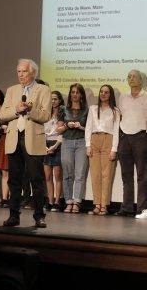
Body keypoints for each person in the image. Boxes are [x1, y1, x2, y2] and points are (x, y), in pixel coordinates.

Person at [0, 58, 51, 228]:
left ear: (33, 73)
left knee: (36, 180)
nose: (20, 74)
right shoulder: (11, 90)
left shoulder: (43, 90)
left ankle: (39, 216)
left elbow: (45, 116)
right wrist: (16, 109)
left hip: (33, 139)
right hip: (14, 138)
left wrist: (30, 110)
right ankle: (14, 215)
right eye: (19, 71)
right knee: (14, 180)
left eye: (24, 71)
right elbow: (2, 114)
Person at [117, 70, 147, 219]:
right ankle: (127, 207)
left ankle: (142, 208)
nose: (131, 78)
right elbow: (120, 117)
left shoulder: (146, 96)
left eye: (134, 76)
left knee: (142, 174)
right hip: (124, 137)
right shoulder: (123, 97)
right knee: (126, 175)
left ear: (141, 80)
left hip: (141, 137)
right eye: (128, 76)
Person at [85, 85, 119, 216]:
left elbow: (116, 131)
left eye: (106, 92)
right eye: (101, 92)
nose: (103, 94)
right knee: (95, 175)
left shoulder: (115, 110)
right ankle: (97, 204)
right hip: (94, 140)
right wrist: (88, 145)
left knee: (106, 175)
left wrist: (114, 149)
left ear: (110, 95)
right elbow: (88, 127)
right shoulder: (93, 109)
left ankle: (104, 205)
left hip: (108, 140)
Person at [57, 83, 88, 213]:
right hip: (67, 142)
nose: (75, 95)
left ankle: (77, 202)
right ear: (70, 94)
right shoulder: (63, 109)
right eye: (73, 92)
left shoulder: (87, 110)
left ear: (81, 95)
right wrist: (67, 126)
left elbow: (90, 129)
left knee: (80, 174)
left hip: (81, 142)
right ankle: (68, 201)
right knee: (68, 174)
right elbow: (58, 130)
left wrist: (80, 127)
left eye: (77, 92)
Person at [43, 91, 64, 212]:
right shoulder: (46, 114)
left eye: (55, 99)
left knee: (57, 176)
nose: (53, 101)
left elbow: (60, 133)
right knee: (48, 176)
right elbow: (42, 131)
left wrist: (55, 146)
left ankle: (57, 202)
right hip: (45, 145)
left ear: (60, 100)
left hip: (57, 144)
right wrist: (44, 147)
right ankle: (50, 201)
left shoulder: (62, 114)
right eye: (51, 99)